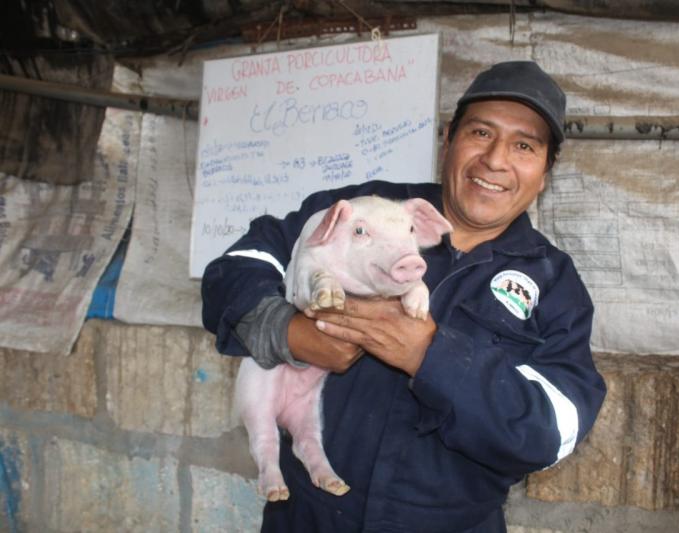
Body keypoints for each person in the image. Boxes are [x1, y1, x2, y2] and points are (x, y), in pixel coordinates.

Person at [202, 60, 606, 533]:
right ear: (449, 138)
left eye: (524, 145)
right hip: (307, 517)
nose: (496, 160)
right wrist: (282, 329)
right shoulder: (368, 209)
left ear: (545, 170)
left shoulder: (554, 283)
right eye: (480, 133)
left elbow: (555, 430)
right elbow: (242, 262)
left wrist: (429, 356)